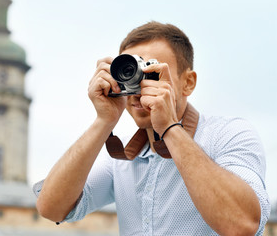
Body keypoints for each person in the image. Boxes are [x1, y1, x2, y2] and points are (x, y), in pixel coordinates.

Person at [33, 21, 270, 235]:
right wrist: (104, 121)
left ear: (188, 82)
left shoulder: (228, 135)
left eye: (151, 73)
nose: (137, 86)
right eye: (131, 74)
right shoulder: (122, 159)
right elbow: (52, 208)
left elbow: (241, 224)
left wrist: (169, 127)